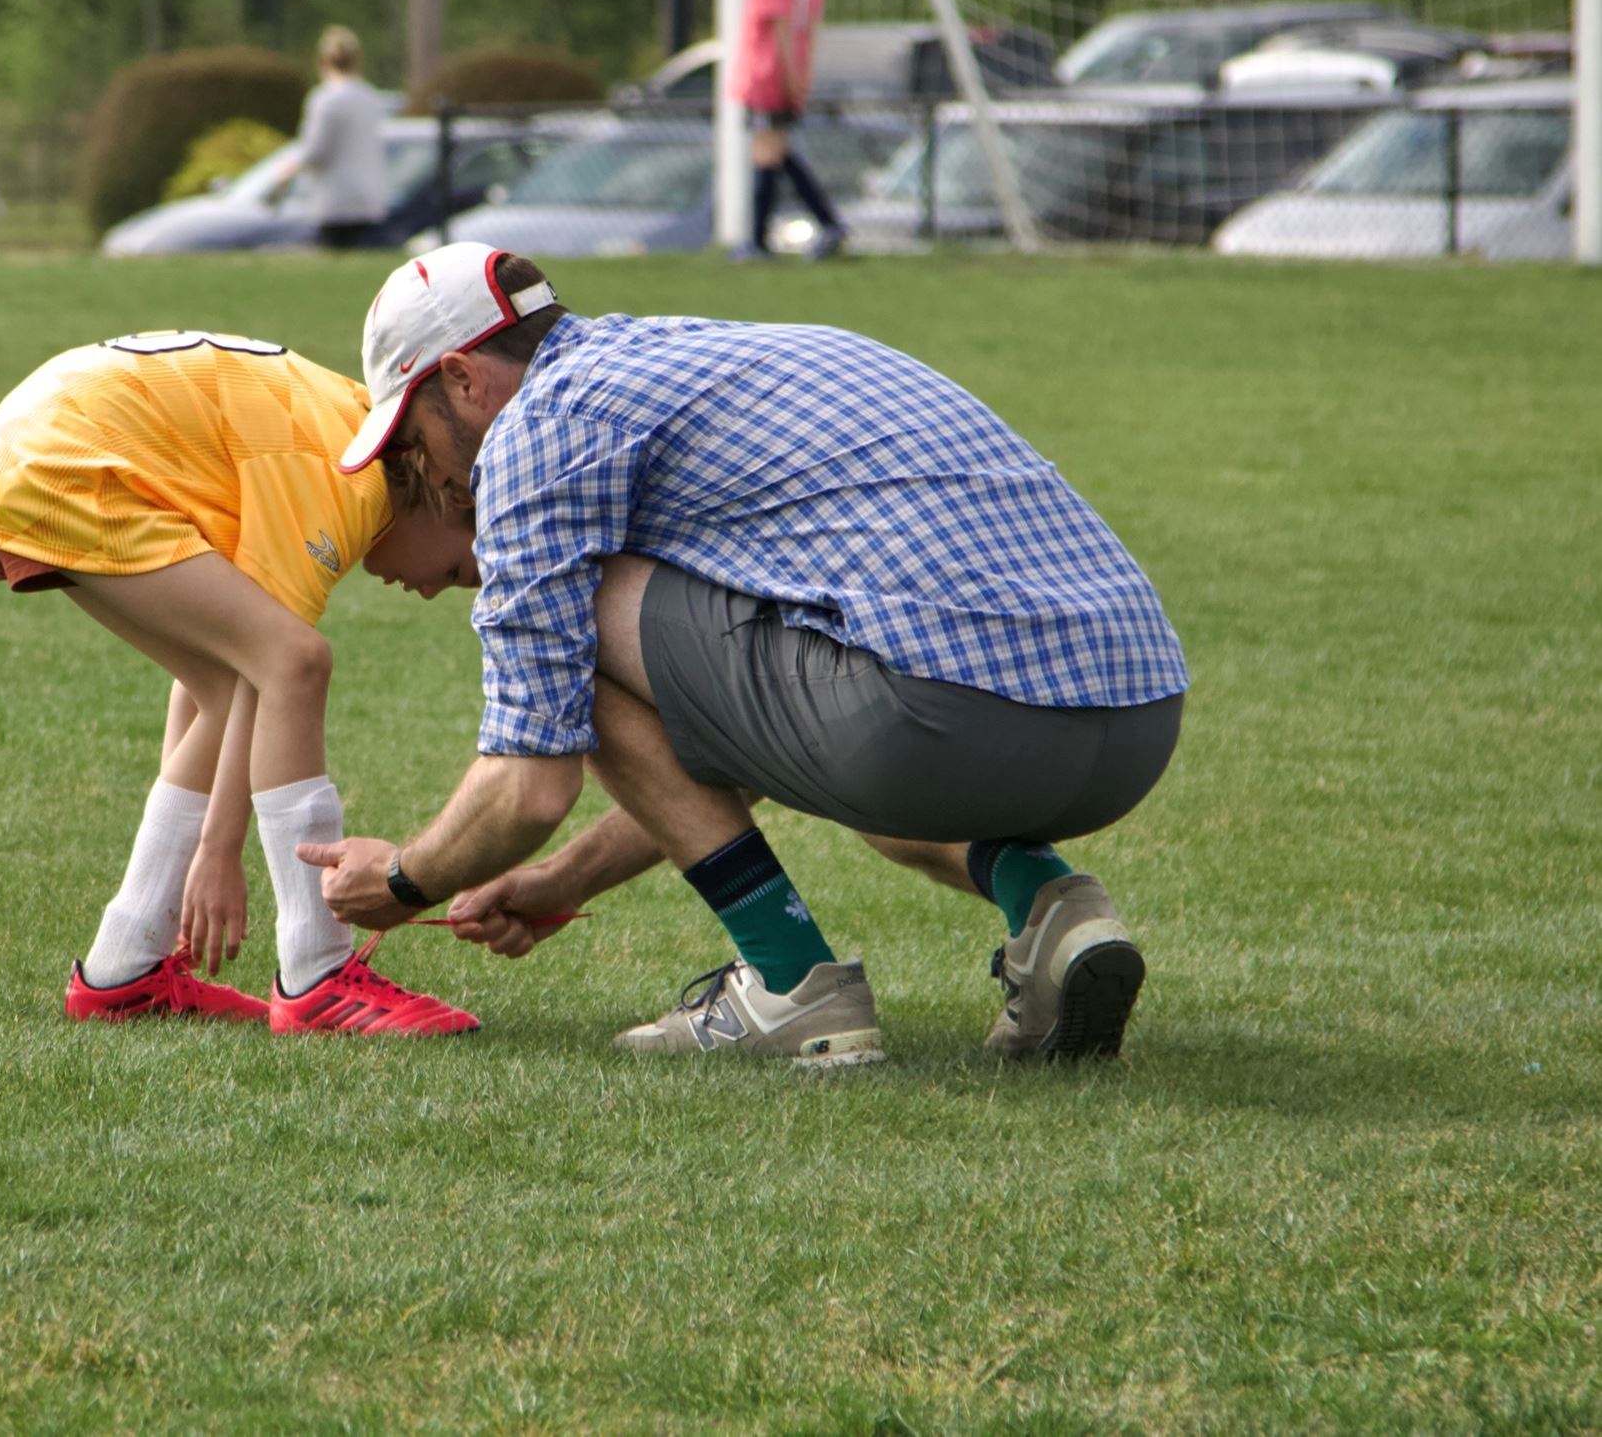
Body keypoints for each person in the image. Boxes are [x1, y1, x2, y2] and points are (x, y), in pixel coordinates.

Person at [297, 244, 1189, 1068]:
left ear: (460, 377)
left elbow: (531, 782)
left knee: (574, 613)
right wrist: (564, 879)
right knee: (857, 729)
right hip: (1137, 718)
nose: (443, 477)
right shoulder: (696, 350)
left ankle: (793, 981)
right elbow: (750, 737)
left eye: (413, 438)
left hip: (939, 719)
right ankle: (1053, 907)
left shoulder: (536, 429)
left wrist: (407, 879)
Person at [0, 328, 481, 1037]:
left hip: (39, 443)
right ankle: (318, 975)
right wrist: (216, 853)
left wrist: (177, 872)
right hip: (68, 454)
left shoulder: (350, 431)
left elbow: (214, 684)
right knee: (295, 658)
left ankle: (122, 968)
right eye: (460, 570)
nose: (433, 590)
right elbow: (274, 667)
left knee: (232, 669)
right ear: (445, 494)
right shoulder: (353, 481)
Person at [732, 0, 848, 261]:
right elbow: (810, 18)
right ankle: (828, 224)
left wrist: (787, 71)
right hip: (790, 68)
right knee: (776, 149)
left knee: (766, 151)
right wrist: (803, 68)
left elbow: (780, 18)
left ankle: (759, 242)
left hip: (767, 71)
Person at [270, 25, 390, 249]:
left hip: (336, 201)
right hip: (369, 198)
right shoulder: (370, 97)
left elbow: (316, 151)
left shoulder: (324, 99)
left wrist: (290, 168)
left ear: (324, 61)